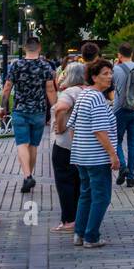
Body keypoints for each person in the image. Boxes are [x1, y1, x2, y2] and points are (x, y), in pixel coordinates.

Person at [67, 58, 120, 248]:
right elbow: (100, 130)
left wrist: (79, 146)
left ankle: (79, 234)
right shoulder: (97, 98)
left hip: (82, 156)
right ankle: (91, 236)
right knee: (102, 196)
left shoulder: (83, 95)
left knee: (86, 194)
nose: (110, 77)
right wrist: (113, 155)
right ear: (94, 77)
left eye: (110, 73)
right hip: (96, 158)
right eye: (105, 74)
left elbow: (71, 125)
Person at [0, 38, 58, 194]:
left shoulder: (16, 65)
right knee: (33, 145)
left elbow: (7, 88)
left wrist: (2, 107)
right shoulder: (45, 66)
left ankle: (27, 176)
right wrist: (56, 110)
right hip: (39, 111)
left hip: (20, 110)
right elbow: (50, 90)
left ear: (25, 48)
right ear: (39, 48)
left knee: (21, 144)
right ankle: (29, 175)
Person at [49, 62, 90, 234]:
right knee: (79, 182)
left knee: (64, 182)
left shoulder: (70, 92)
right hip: (82, 145)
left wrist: (60, 126)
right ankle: (79, 218)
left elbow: (61, 109)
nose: (62, 76)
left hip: (64, 144)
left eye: (65, 73)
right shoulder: (87, 92)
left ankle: (68, 220)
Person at [110, 44, 134, 188]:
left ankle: (123, 167)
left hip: (119, 110)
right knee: (133, 144)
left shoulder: (115, 69)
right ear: (132, 54)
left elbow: (110, 88)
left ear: (119, 55)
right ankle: (131, 177)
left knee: (116, 140)